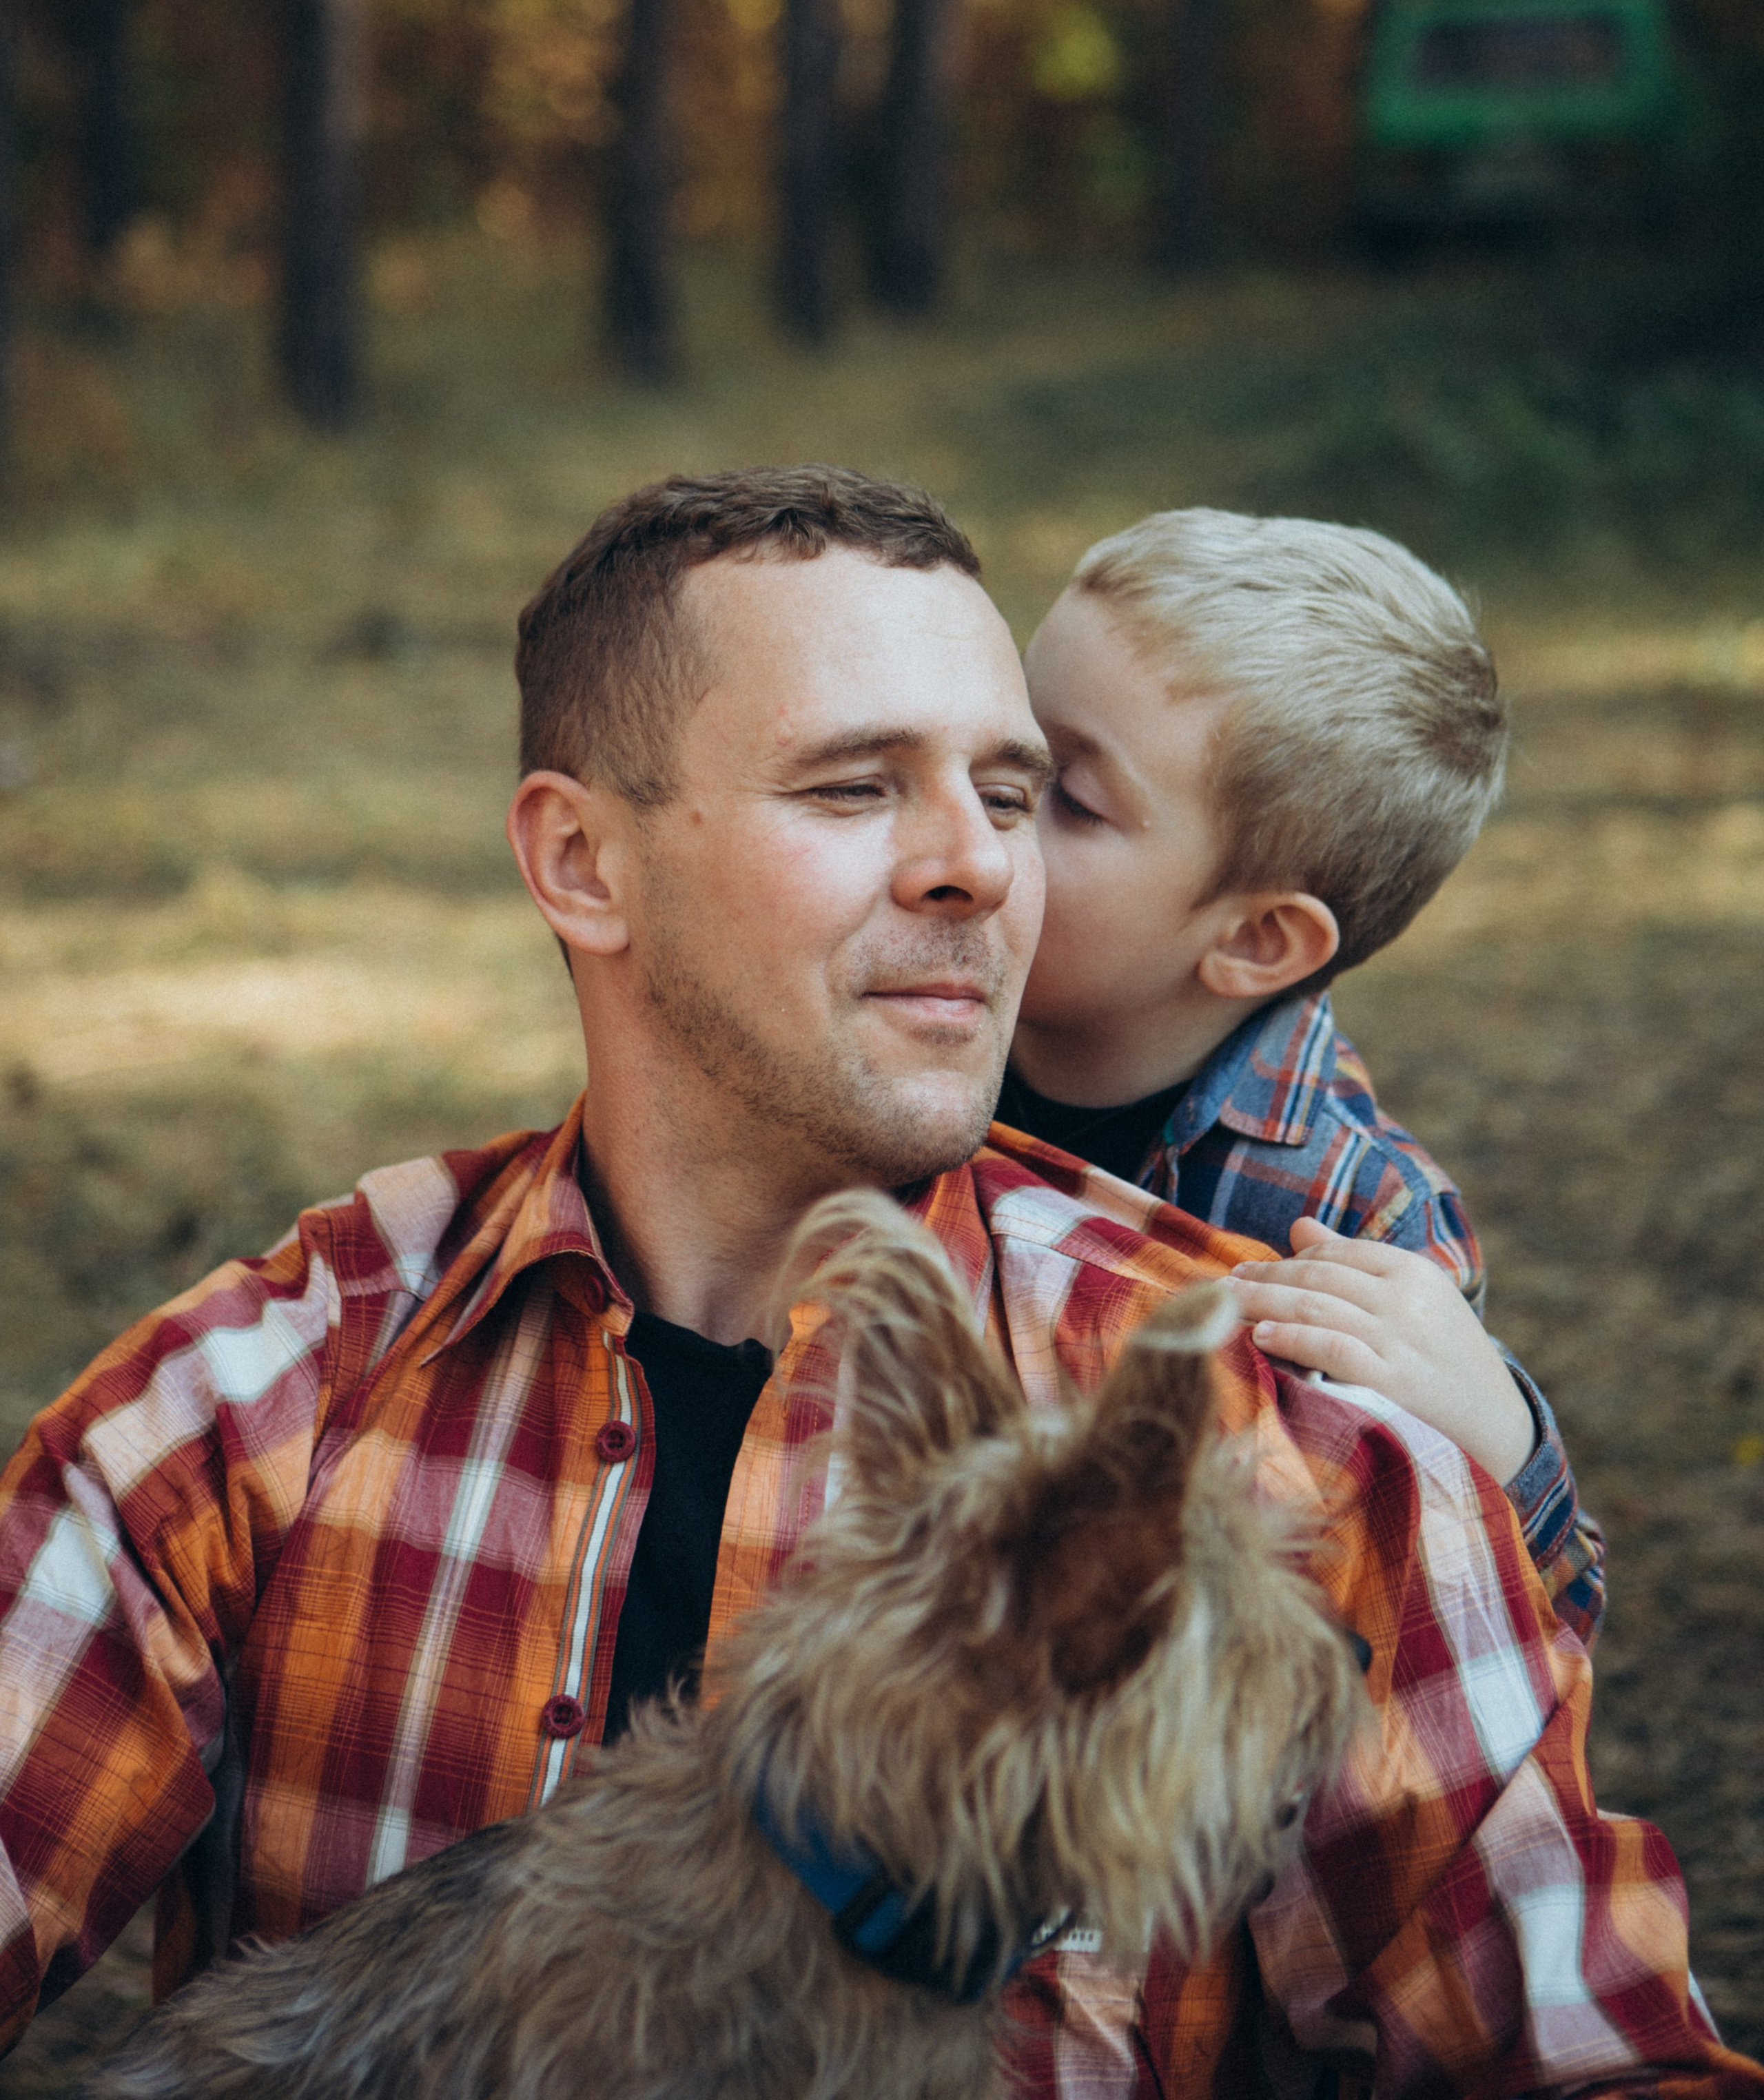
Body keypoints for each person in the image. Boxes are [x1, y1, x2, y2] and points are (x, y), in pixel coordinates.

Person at [0, 467, 1750, 2098]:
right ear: (581, 863)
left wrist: (1510, 1461)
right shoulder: (265, 1393)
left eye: (1015, 795)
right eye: (852, 787)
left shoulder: (1287, 1421)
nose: (980, 863)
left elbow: (1589, 2045)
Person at [998, 507, 1605, 1640]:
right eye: (1005, 747)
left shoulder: (1351, 1221)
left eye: (1069, 797)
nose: (980, 808)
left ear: (1254, 940)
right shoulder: (903, 1027)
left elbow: (1518, 1633)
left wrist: (1500, 1438)